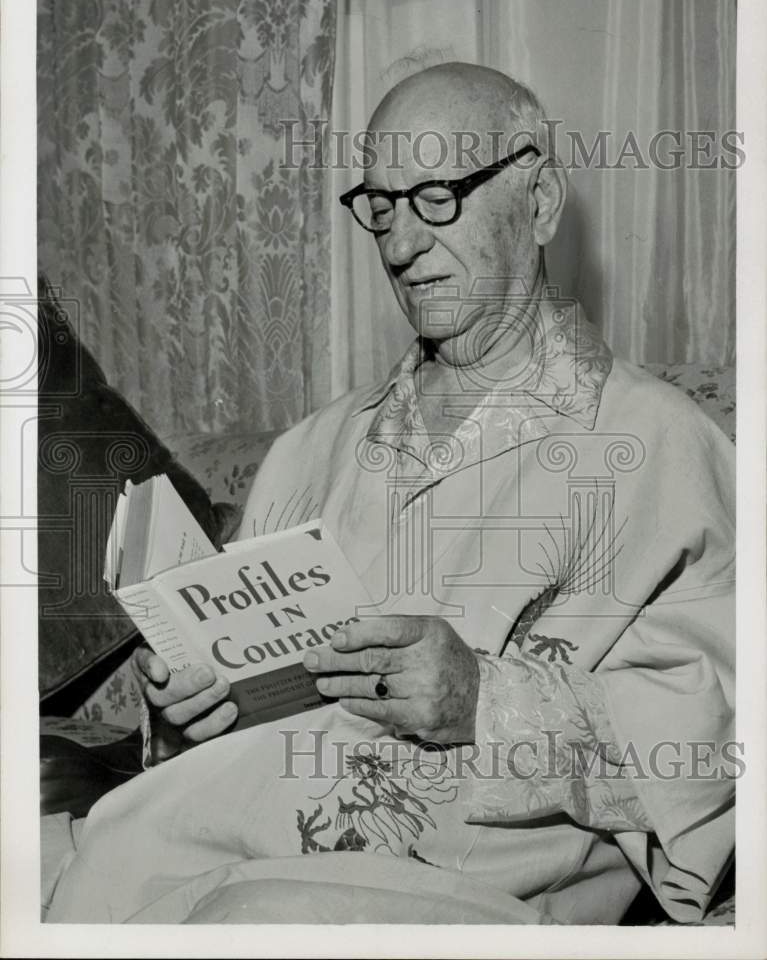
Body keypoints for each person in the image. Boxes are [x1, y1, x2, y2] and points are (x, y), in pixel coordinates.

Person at [48, 63, 735, 925]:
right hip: (224, 834)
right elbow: (229, 715)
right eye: (381, 206)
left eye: (437, 195)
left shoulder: (662, 443)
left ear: (541, 201)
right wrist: (190, 714)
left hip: (446, 890)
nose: (401, 246)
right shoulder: (312, 448)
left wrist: (487, 699)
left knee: (244, 919)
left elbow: (717, 745)